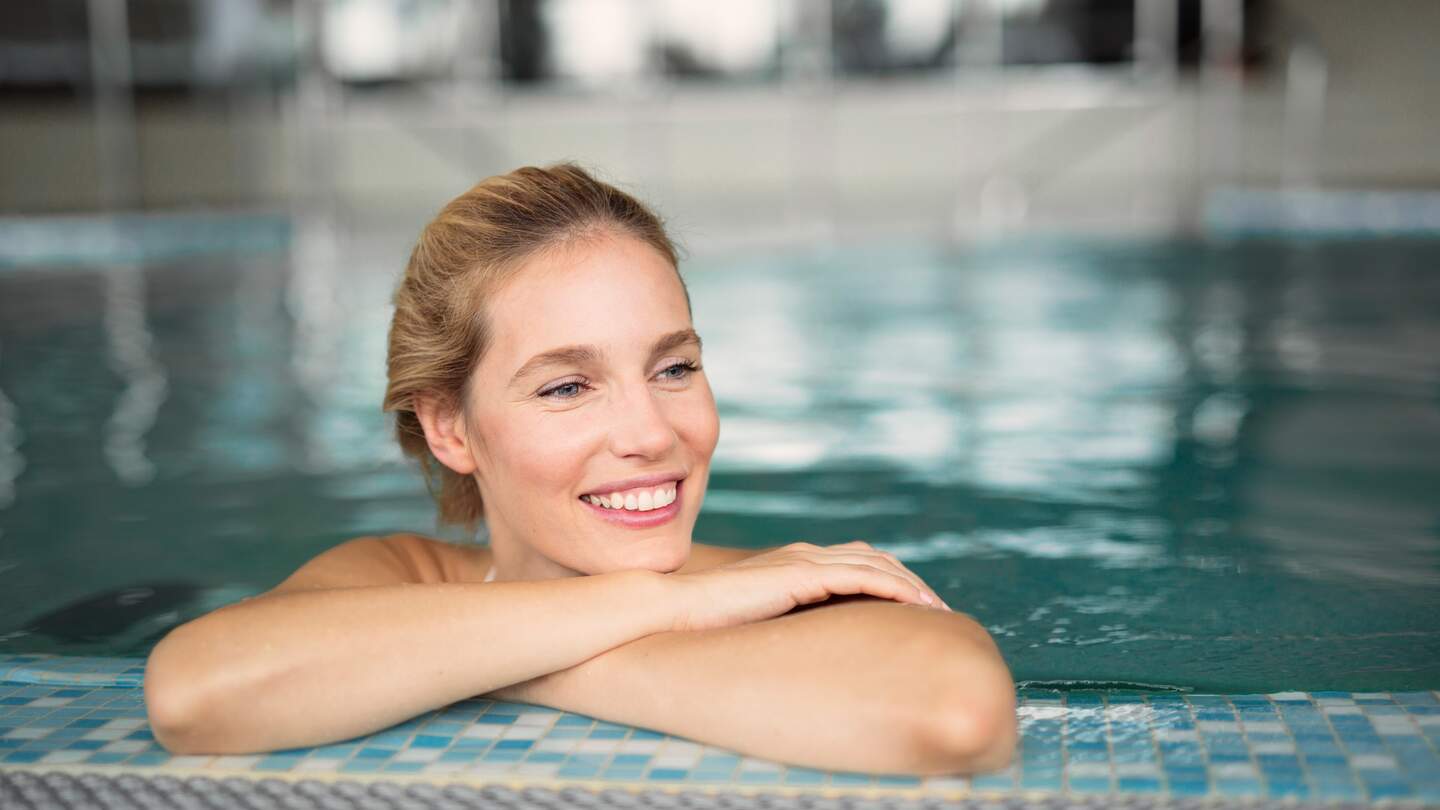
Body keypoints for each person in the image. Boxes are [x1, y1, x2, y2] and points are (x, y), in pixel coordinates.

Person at [143, 163, 1018, 776]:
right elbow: (194, 693)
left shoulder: (768, 585)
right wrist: (659, 607)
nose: (650, 434)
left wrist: (496, 657)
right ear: (449, 426)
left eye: (675, 367)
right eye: (568, 386)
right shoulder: (399, 573)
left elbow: (958, 714)